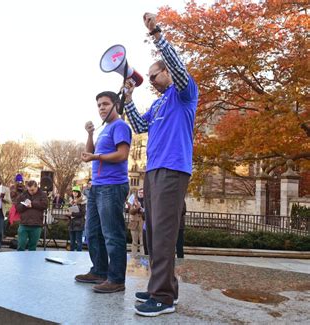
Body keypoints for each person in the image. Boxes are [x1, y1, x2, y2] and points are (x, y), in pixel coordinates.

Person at [124, 13, 198, 317]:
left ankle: (163, 297)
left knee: (165, 232)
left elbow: (180, 69)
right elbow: (140, 125)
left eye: (155, 76)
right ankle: (165, 286)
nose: (151, 81)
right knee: (154, 232)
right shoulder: (156, 104)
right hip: (152, 171)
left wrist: (157, 34)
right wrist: (128, 97)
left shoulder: (184, 93)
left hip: (173, 168)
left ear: (168, 73)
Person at [75, 91, 131, 294]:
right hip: (97, 187)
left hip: (112, 186)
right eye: (99, 105)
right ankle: (99, 271)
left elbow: (122, 154)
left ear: (116, 105)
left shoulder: (120, 126)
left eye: (106, 104)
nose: (101, 108)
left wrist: (96, 155)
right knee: (92, 232)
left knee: (112, 233)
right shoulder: (104, 129)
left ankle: (116, 279)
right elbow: (87, 155)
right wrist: (89, 134)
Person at [15, 180, 47, 251]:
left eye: (32, 190)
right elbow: (17, 207)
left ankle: (31, 261)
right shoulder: (23, 195)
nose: (30, 192)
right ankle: (19, 261)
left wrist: (32, 204)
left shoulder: (42, 194)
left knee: (32, 247)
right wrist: (25, 206)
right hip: (24, 224)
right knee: (21, 245)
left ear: (36, 187)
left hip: (36, 225)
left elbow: (44, 205)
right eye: (29, 190)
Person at [65, 186, 86, 252]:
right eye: (74, 191)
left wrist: (72, 214)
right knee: (72, 243)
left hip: (79, 224)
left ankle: (79, 257)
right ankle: (71, 257)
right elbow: (69, 211)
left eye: (76, 192)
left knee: (79, 242)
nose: (75, 193)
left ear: (79, 193)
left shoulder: (82, 201)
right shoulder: (71, 201)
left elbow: (82, 213)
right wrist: (67, 214)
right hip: (71, 224)